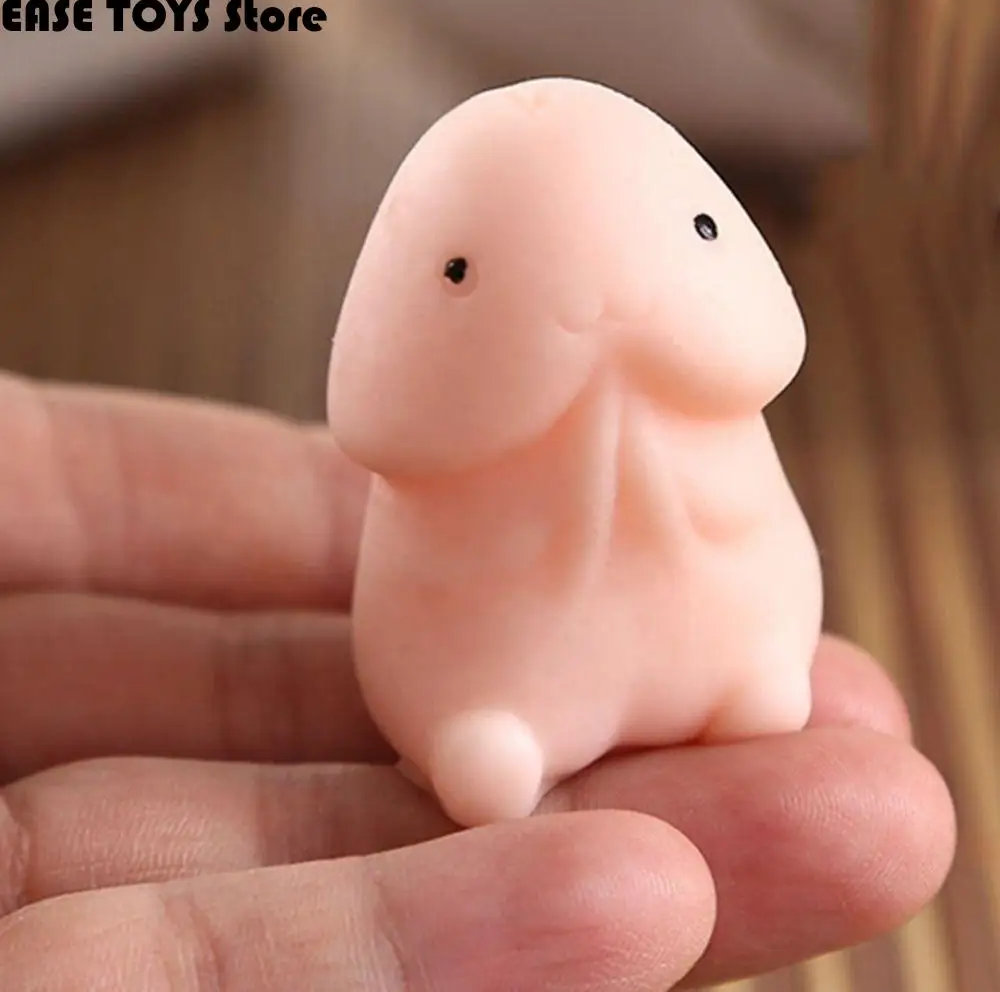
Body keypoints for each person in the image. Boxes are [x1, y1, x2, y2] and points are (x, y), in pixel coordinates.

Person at [0, 370, 955, 990]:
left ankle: (737, 679)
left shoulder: (702, 393)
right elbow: (380, 396)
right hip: (485, 665)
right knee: (487, 704)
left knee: (752, 642)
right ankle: (492, 734)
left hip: (726, 609)